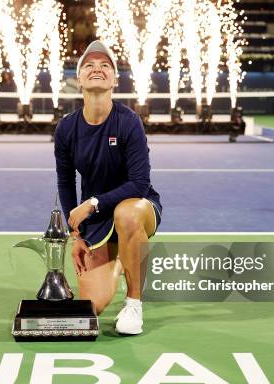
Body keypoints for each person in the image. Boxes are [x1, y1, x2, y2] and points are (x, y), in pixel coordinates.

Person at [54, 40, 162, 335]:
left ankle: (134, 304)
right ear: (79, 80)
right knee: (94, 305)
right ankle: (120, 259)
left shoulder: (129, 122)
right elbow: (65, 182)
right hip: (99, 220)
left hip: (138, 207)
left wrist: (92, 204)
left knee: (126, 215)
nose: (97, 68)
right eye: (89, 65)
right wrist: (76, 234)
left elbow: (139, 184)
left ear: (114, 80)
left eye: (105, 65)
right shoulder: (66, 128)